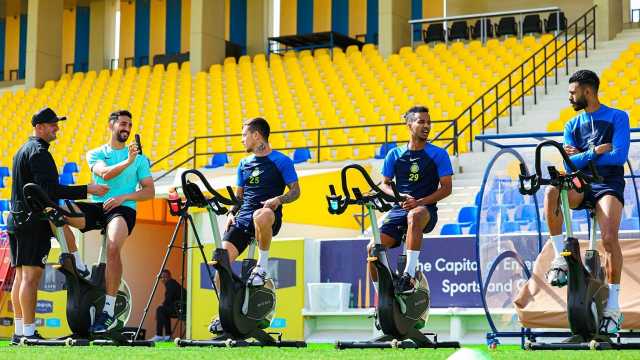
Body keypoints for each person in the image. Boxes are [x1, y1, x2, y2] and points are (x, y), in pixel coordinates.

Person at [7, 107, 109, 343]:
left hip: (16, 219)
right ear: (39, 127)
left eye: (56, 123)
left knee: (21, 277)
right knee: (30, 277)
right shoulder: (40, 152)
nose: (57, 128)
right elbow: (50, 192)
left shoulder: (21, 150)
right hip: (32, 220)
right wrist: (87, 189)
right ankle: (30, 334)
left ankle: (20, 332)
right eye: (52, 124)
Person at [544, 69, 630, 334]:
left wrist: (582, 155)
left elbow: (618, 156)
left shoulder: (618, 117)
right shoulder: (571, 125)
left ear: (587, 91)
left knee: (608, 239)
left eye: (573, 92)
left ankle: (613, 308)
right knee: (552, 190)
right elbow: (568, 162)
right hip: (582, 184)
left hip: (608, 185)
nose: (570, 98)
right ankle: (560, 257)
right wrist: (594, 151)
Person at [61, 110, 155, 334]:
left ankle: (109, 311)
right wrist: (127, 161)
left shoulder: (140, 160)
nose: (127, 128)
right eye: (123, 123)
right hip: (98, 207)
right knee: (58, 211)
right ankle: (76, 261)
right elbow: (103, 174)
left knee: (113, 246)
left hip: (123, 209)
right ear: (111, 126)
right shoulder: (96, 154)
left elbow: (149, 191)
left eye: (129, 125)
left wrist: (125, 196)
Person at [209, 117, 300, 332]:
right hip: (243, 219)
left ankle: (263, 267)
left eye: (244, 135)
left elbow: (295, 191)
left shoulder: (281, 161)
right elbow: (239, 197)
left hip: (268, 217)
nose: (242, 140)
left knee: (261, 214)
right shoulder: (243, 164)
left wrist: (278, 200)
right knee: (219, 264)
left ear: (256, 135)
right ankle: (226, 313)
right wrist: (232, 212)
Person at [372, 105, 453, 294]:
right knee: (372, 250)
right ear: (409, 125)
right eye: (421, 122)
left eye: (429, 122)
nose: (427, 126)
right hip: (399, 209)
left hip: (425, 210)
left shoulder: (438, 154)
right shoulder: (394, 154)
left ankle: (408, 275)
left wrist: (419, 201)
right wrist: (399, 197)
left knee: (415, 216)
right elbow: (384, 184)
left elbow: (447, 188)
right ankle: (380, 299)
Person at [151, 270, 186, 342]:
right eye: (162, 277)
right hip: (179, 307)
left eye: (165, 277)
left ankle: (159, 335)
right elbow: (169, 300)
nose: (163, 279)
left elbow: (168, 299)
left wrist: (161, 306)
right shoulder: (171, 284)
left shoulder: (171, 284)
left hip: (181, 308)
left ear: (170, 277)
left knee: (160, 310)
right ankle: (167, 336)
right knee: (163, 311)